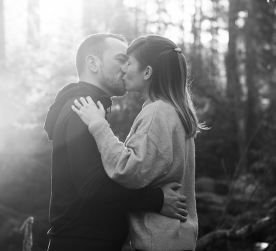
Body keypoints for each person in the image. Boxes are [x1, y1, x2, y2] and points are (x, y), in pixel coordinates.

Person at [44, 33, 188, 251]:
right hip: (81, 243)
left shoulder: (92, 108)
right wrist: (157, 199)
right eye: (121, 60)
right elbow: (93, 186)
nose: (126, 68)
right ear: (93, 63)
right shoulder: (82, 108)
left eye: (129, 62)